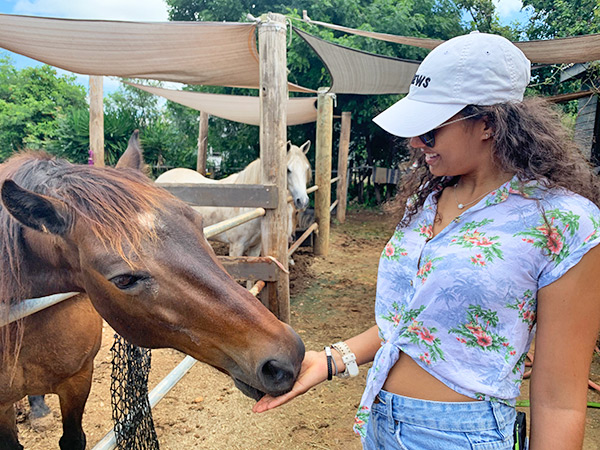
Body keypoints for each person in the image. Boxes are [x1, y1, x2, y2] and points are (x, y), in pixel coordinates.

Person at [253, 31, 600, 450]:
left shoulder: (564, 222)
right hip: (381, 422)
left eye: (430, 130)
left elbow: (560, 401)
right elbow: (413, 321)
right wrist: (331, 360)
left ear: (488, 123)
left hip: (465, 436)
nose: (416, 142)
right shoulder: (428, 200)